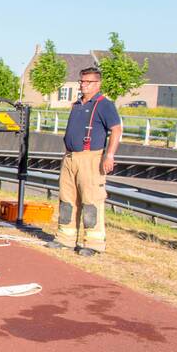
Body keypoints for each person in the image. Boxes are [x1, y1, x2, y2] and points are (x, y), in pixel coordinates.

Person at [46, 66, 122, 256]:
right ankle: (65, 238)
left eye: (88, 82)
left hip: (91, 158)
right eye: (81, 81)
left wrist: (109, 155)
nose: (83, 85)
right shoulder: (77, 104)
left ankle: (93, 243)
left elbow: (116, 129)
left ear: (98, 84)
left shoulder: (104, 105)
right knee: (67, 199)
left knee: (91, 200)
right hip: (71, 157)